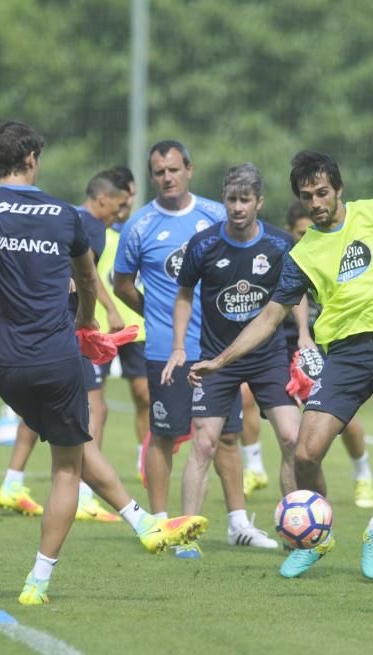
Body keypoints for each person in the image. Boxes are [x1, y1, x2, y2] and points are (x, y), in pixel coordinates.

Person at [0, 122, 206, 605]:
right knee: (67, 464)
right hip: (58, 357)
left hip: (5, 370)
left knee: (75, 445)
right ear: (30, 159)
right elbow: (86, 280)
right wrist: (87, 326)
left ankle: (142, 520)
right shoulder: (67, 216)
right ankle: (38, 582)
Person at [189, 150, 373, 580]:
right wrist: (220, 360)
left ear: (338, 189)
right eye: (306, 195)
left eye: (322, 192)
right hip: (345, 358)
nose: (314, 203)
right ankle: (318, 537)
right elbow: (270, 316)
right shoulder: (302, 253)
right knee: (306, 453)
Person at [113, 140, 246, 559]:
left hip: (218, 348)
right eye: (159, 172)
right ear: (152, 176)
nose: (167, 177)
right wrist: (154, 312)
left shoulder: (215, 216)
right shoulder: (139, 226)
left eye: (173, 169)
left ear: (189, 168)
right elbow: (122, 283)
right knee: (165, 436)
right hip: (165, 350)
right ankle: (162, 523)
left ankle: (239, 523)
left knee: (225, 437)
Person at [163, 162, 304, 552]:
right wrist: (179, 347)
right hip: (215, 358)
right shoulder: (204, 245)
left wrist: (305, 337)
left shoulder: (279, 244)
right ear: (223, 199)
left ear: (259, 202)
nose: (237, 207)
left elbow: (297, 292)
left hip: (269, 357)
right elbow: (184, 295)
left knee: (293, 436)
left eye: (245, 200)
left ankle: (298, 530)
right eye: (231, 199)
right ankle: (187, 537)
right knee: (204, 444)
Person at [0, 169, 131, 523]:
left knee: (41, 408)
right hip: (68, 333)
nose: (122, 211)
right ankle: (86, 495)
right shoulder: (88, 226)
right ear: (102, 198)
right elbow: (85, 275)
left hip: (47, 332)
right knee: (95, 409)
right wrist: (108, 310)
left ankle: (12, 482)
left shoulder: (63, 216)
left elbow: (82, 274)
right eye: (120, 203)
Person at [283, 202, 373, 509]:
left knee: (344, 420)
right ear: (290, 232)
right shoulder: (290, 260)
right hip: (289, 346)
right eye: (300, 232)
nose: (306, 236)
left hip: (328, 348)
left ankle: (362, 474)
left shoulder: (335, 255)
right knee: (291, 428)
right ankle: (257, 468)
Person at [97, 166, 153, 463]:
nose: (128, 200)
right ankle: (89, 467)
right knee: (94, 403)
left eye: (131, 193)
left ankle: (144, 456)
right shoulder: (94, 229)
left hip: (136, 325)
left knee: (144, 396)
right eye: (124, 194)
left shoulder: (140, 228)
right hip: (101, 327)